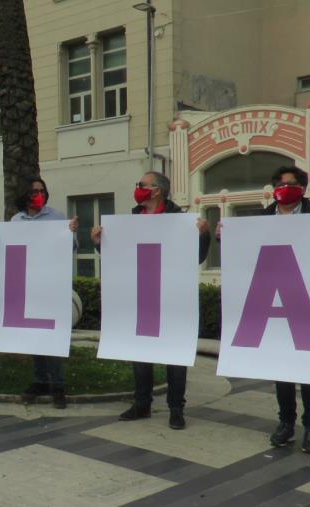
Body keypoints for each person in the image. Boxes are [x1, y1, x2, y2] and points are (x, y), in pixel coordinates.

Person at [217, 165, 310, 454]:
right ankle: (286, 424)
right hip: (271, 303)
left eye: (291, 183)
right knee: (283, 371)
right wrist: (222, 237)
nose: (285, 188)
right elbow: (241, 255)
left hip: (305, 304)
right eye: (280, 183)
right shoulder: (260, 220)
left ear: (303, 188)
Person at [91, 171, 211, 430]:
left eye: (142, 185)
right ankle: (141, 403)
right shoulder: (132, 220)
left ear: (157, 190)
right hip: (141, 296)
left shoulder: (179, 220)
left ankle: (176, 408)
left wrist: (203, 236)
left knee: (175, 354)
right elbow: (118, 256)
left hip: (171, 297)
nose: (138, 188)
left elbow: (197, 258)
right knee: (140, 351)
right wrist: (100, 244)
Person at [0, 177, 78, 408]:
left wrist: (70, 232)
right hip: (28, 287)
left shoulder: (57, 217)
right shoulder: (16, 220)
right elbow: (7, 248)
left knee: (54, 337)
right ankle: (40, 381)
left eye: (42, 190)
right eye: (34, 191)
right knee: (36, 337)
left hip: (50, 285)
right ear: (25, 195)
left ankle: (58, 386)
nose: (39, 194)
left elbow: (70, 248)